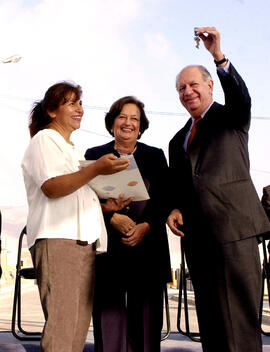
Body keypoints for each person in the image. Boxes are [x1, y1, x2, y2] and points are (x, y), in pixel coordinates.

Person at [167, 27, 270, 352]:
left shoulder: (231, 118)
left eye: (194, 84)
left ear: (210, 85)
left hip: (234, 233)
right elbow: (180, 187)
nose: (188, 92)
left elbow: (242, 97)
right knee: (211, 323)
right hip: (199, 240)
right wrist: (174, 207)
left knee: (239, 323)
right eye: (181, 88)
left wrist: (218, 57)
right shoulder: (176, 141)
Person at [21, 81, 130, 352]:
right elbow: (52, 187)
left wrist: (107, 208)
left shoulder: (72, 149)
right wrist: (96, 170)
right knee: (63, 328)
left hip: (82, 243)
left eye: (80, 102)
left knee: (76, 330)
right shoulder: (45, 140)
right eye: (71, 103)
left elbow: (76, 195)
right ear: (52, 111)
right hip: (59, 241)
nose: (79, 108)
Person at [85, 96, 171, 352]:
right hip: (110, 249)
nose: (128, 123)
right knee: (108, 317)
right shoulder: (95, 155)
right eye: (122, 116)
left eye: (134, 118)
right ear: (112, 123)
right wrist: (111, 217)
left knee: (146, 321)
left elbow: (165, 198)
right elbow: (86, 198)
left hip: (148, 247)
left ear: (141, 126)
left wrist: (146, 225)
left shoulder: (155, 156)